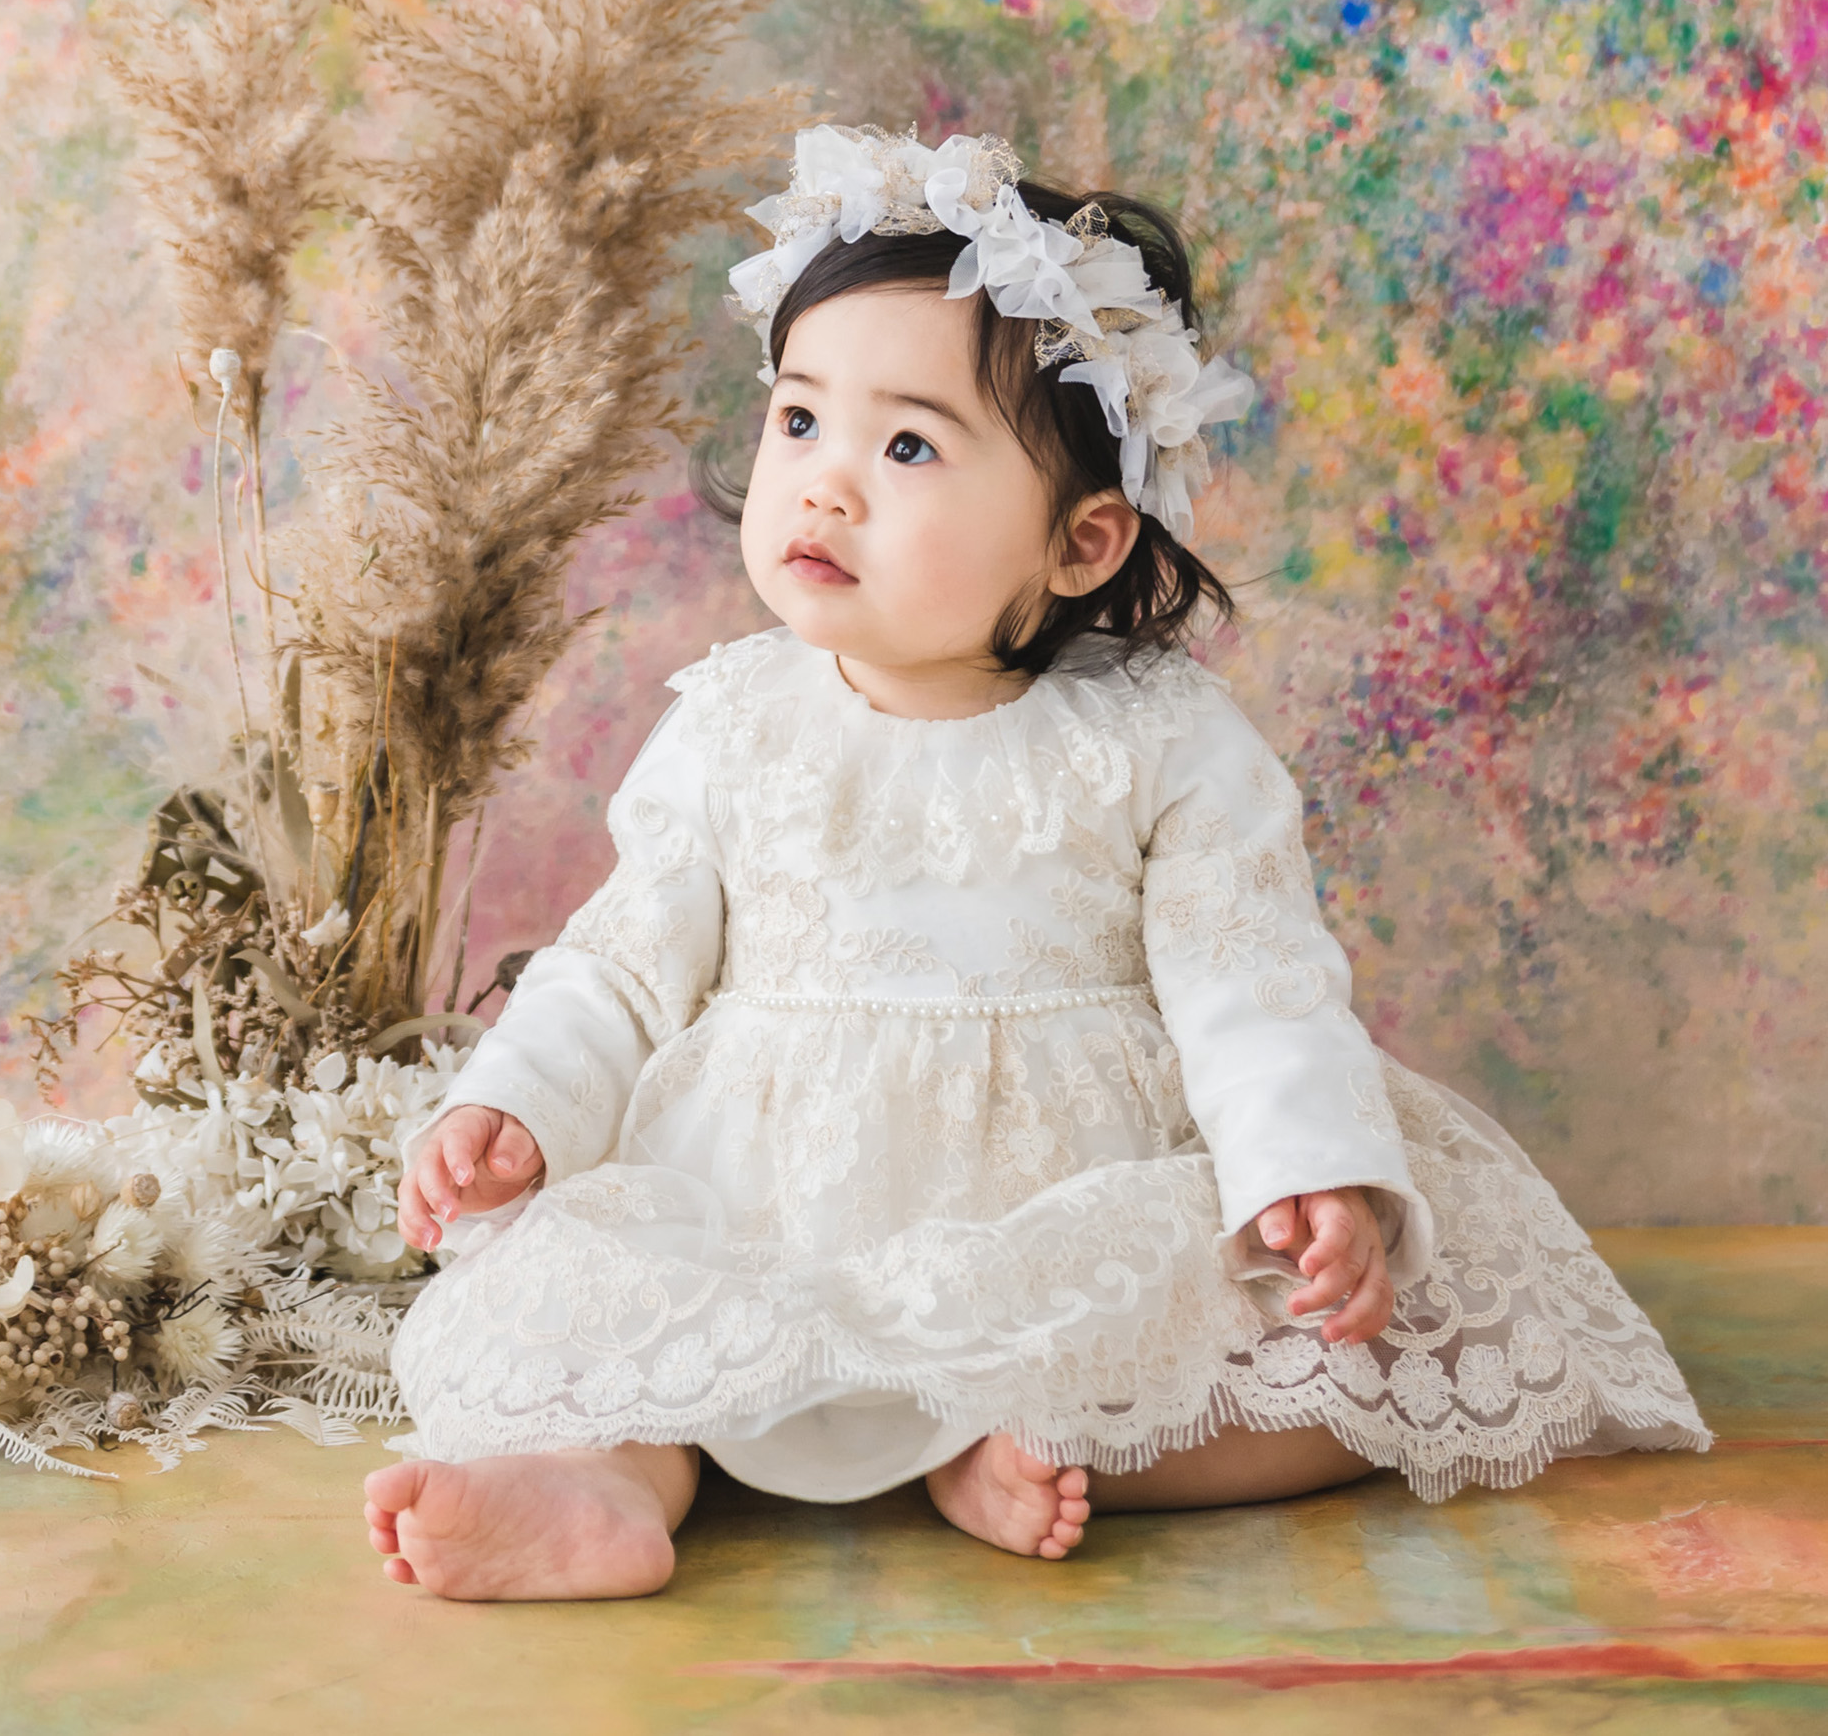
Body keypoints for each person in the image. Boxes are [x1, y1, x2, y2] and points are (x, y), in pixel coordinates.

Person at [363, 126, 1708, 1601]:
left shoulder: (1162, 738)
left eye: (908, 447)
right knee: (614, 1328)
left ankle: (1031, 1445)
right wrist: (519, 1104)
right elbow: (623, 962)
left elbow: (1251, 978)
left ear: (1081, 543)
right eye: (799, 419)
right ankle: (603, 1485)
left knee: (1359, 1361)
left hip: (1063, 1209)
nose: (823, 486)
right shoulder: (732, 724)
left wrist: (1307, 1172)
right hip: (768, 1206)